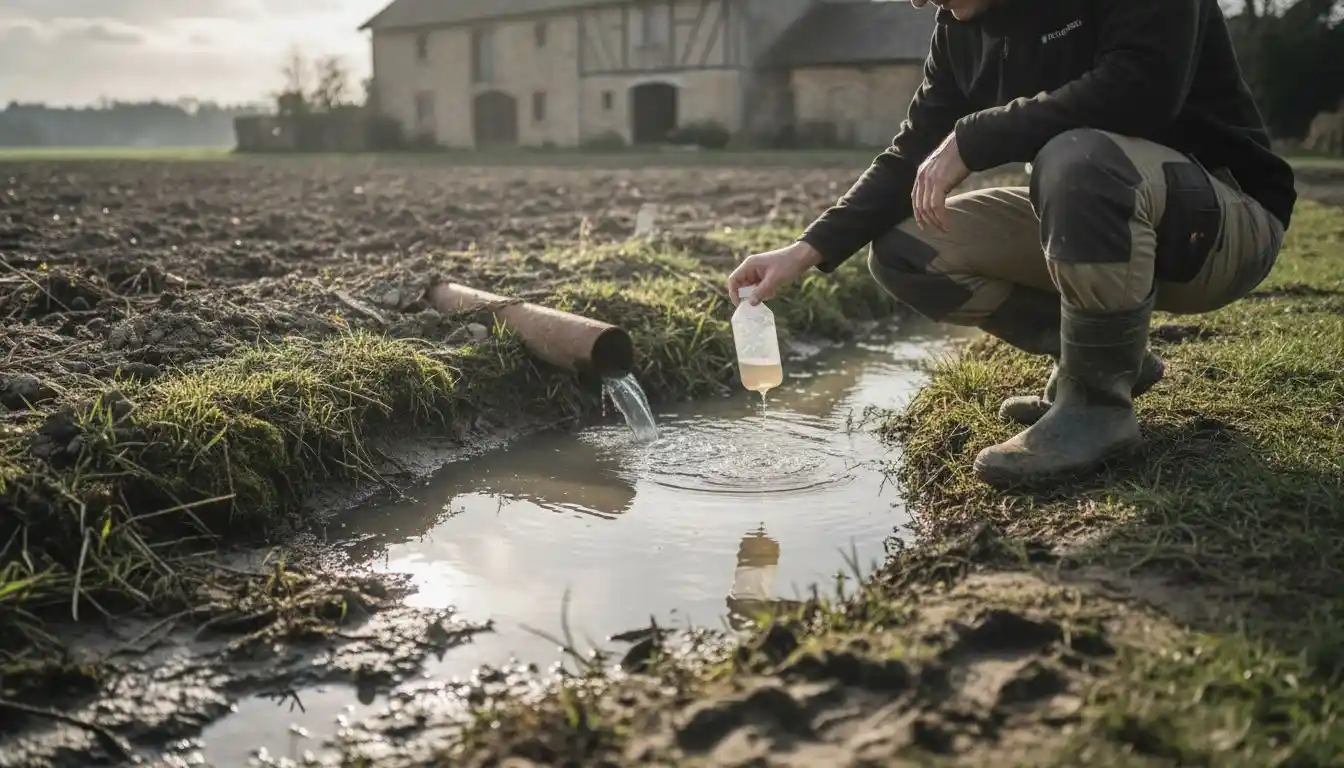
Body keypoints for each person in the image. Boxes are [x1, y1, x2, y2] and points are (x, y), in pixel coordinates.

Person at [728, 0, 1297, 489]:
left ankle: (1098, 408)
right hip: (1106, 218)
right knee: (906, 250)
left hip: (1219, 226)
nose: (926, 4)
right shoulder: (958, 27)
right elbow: (911, 154)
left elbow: (1142, 90)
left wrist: (974, 137)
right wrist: (804, 250)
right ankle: (1104, 362)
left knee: (1076, 156)